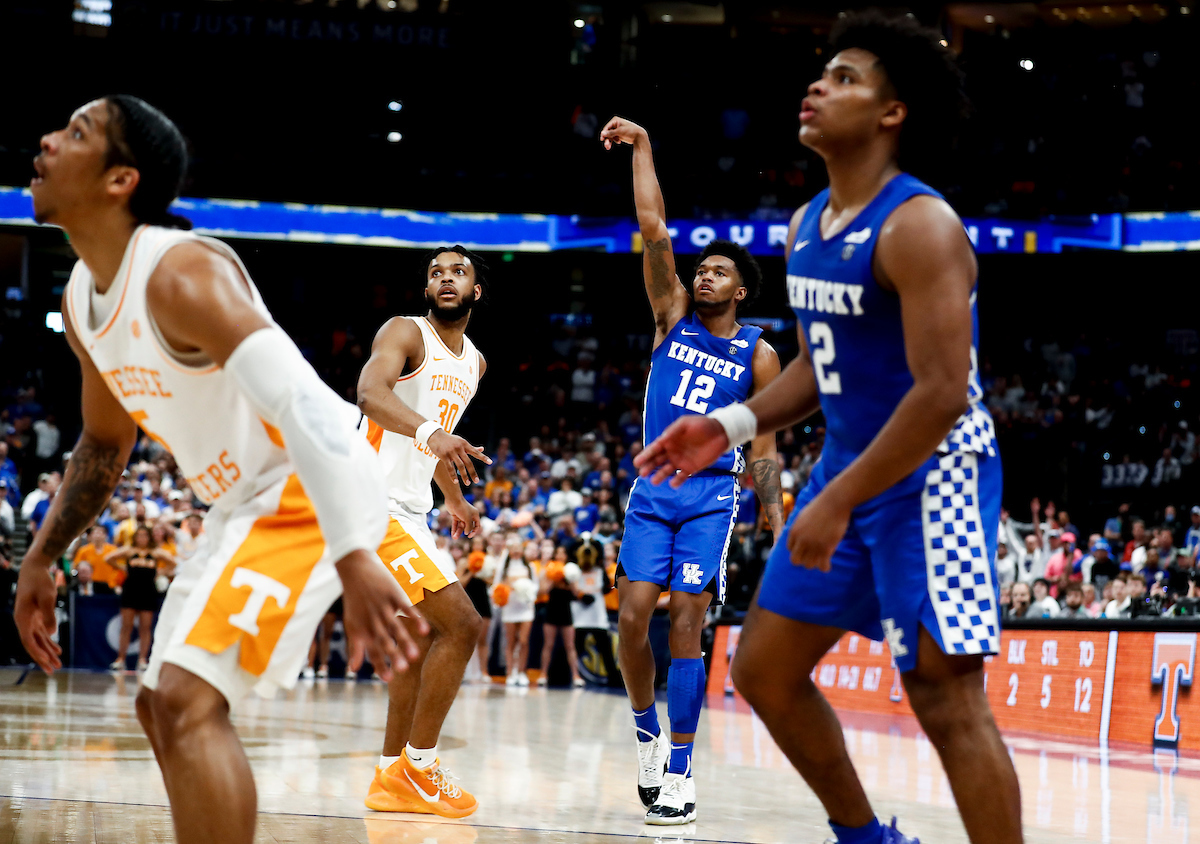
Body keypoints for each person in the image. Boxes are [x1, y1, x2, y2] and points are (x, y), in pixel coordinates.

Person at [634, 13, 1018, 844]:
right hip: (851, 463)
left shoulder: (921, 226)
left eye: (845, 78)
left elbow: (943, 392)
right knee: (767, 671)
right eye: (822, 73)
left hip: (936, 473)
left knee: (946, 697)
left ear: (893, 114)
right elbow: (817, 366)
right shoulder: (807, 225)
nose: (818, 86)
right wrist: (727, 423)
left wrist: (834, 497)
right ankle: (866, 836)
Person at [13, 96, 421, 844]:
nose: (45, 140)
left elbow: (302, 404)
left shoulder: (181, 274)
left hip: (306, 484)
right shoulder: (79, 300)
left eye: (75, 133)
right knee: (156, 705)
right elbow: (104, 446)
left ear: (119, 180)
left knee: (186, 699)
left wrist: (353, 553)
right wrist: (42, 556)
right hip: (243, 503)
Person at [600, 115, 785, 826]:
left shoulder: (760, 355)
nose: (702, 274)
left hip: (711, 501)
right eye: (700, 267)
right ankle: (645, 732)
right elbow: (653, 228)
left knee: (685, 624)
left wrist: (772, 509)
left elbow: (763, 445)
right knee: (631, 617)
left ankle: (678, 769)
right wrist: (645, 146)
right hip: (652, 494)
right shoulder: (669, 314)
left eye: (718, 271)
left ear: (740, 291)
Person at [355, 245, 491, 819]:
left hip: (409, 510)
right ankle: (421, 762)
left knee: (413, 650)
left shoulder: (475, 363)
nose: (445, 278)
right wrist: (435, 434)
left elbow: (434, 433)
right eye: (436, 272)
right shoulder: (405, 332)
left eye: (458, 271)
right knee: (462, 625)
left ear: (476, 290)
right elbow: (371, 395)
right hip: (368, 501)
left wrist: (454, 496)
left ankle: (389, 777)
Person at [105, 525, 172, 670]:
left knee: (145, 627)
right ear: (135, 537)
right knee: (126, 626)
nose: (142, 538)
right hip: (131, 590)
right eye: (139, 535)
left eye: (145, 535)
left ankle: (142, 660)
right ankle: (120, 659)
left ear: (149, 537)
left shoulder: (155, 552)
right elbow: (109, 558)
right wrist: (123, 568)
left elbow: (172, 563)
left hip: (148, 591)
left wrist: (159, 572)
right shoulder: (129, 551)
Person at [538, 544, 584, 687]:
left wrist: (568, 580)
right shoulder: (549, 568)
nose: (559, 556)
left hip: (566, 610)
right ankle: (543, 674)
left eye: (562, 553)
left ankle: (576, 675)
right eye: (557, 553)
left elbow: (577, 593)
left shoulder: (572, 570)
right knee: (548, 644)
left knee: (570, 645)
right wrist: (553, 578)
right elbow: (542, 591)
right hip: (552, 609)